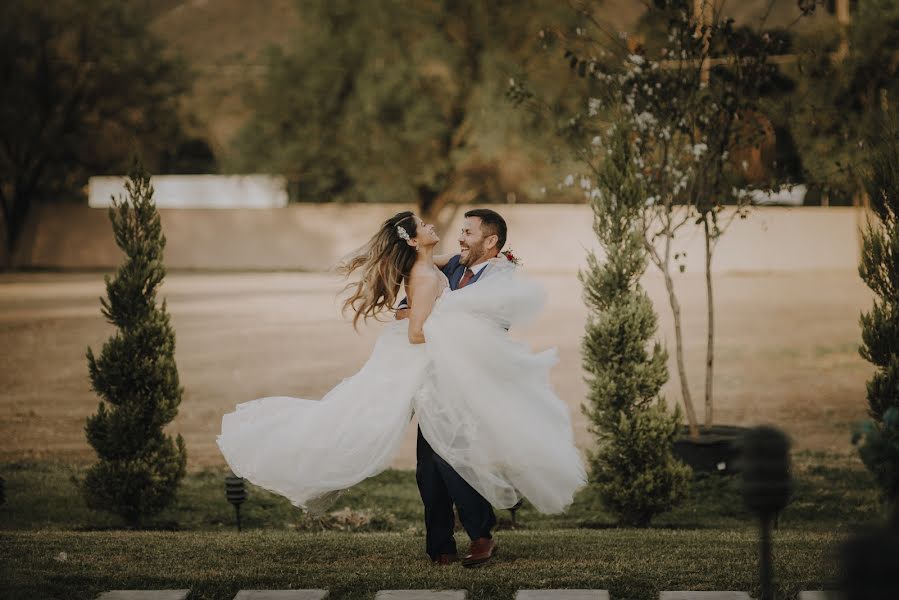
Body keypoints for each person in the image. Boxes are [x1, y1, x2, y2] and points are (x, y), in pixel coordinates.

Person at [216, 210, 585, 566]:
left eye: (468, 232)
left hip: (470, 379)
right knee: (430, 464)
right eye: (460, 230)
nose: (459, 237)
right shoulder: (446, 266)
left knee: (449, 457)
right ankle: (441, 545)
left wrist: (424, 302)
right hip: (428, 376)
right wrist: (417, 303)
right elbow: (414, 303)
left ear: (491, 241)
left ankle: (480, 535)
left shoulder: (501, 274)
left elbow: (484, 321)